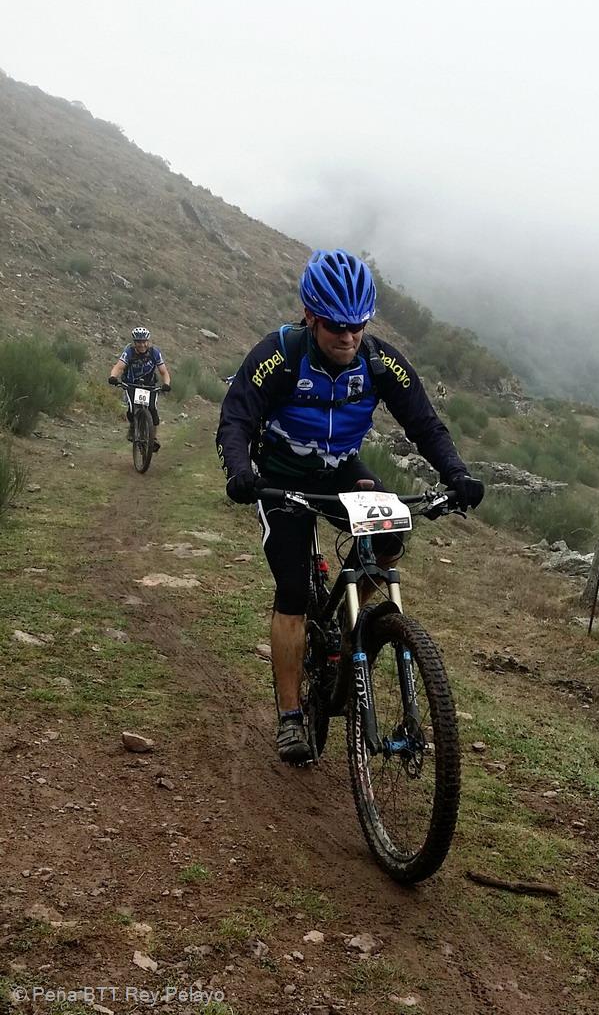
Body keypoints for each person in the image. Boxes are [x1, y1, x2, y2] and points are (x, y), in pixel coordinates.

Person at [216, 249, 483, 763]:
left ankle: (353, 615)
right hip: (280, 476)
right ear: (311, 317)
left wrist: (457, 474)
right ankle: (291, 716)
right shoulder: (279, 355)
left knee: (389, 536)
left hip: (340, 468)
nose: (349, 337)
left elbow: (425, 424)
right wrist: (239, 471)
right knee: (293, 590)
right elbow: (237, 418)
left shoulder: (380, 362)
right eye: (337, 326)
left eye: (358, 325)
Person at [108, 327, 171, 450]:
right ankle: (133, 427)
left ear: (148, 341)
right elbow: (119, 367)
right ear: (134, 342)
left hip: (149, 385)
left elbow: (164, 371)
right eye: (138, 342)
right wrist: (113, 376)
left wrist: (166, 384)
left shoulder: (154, 353)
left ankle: (153, 437)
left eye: (144, 341)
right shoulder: (129, 352)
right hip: (131, 384)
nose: (142, 345)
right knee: (132, 409)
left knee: (153, 410)